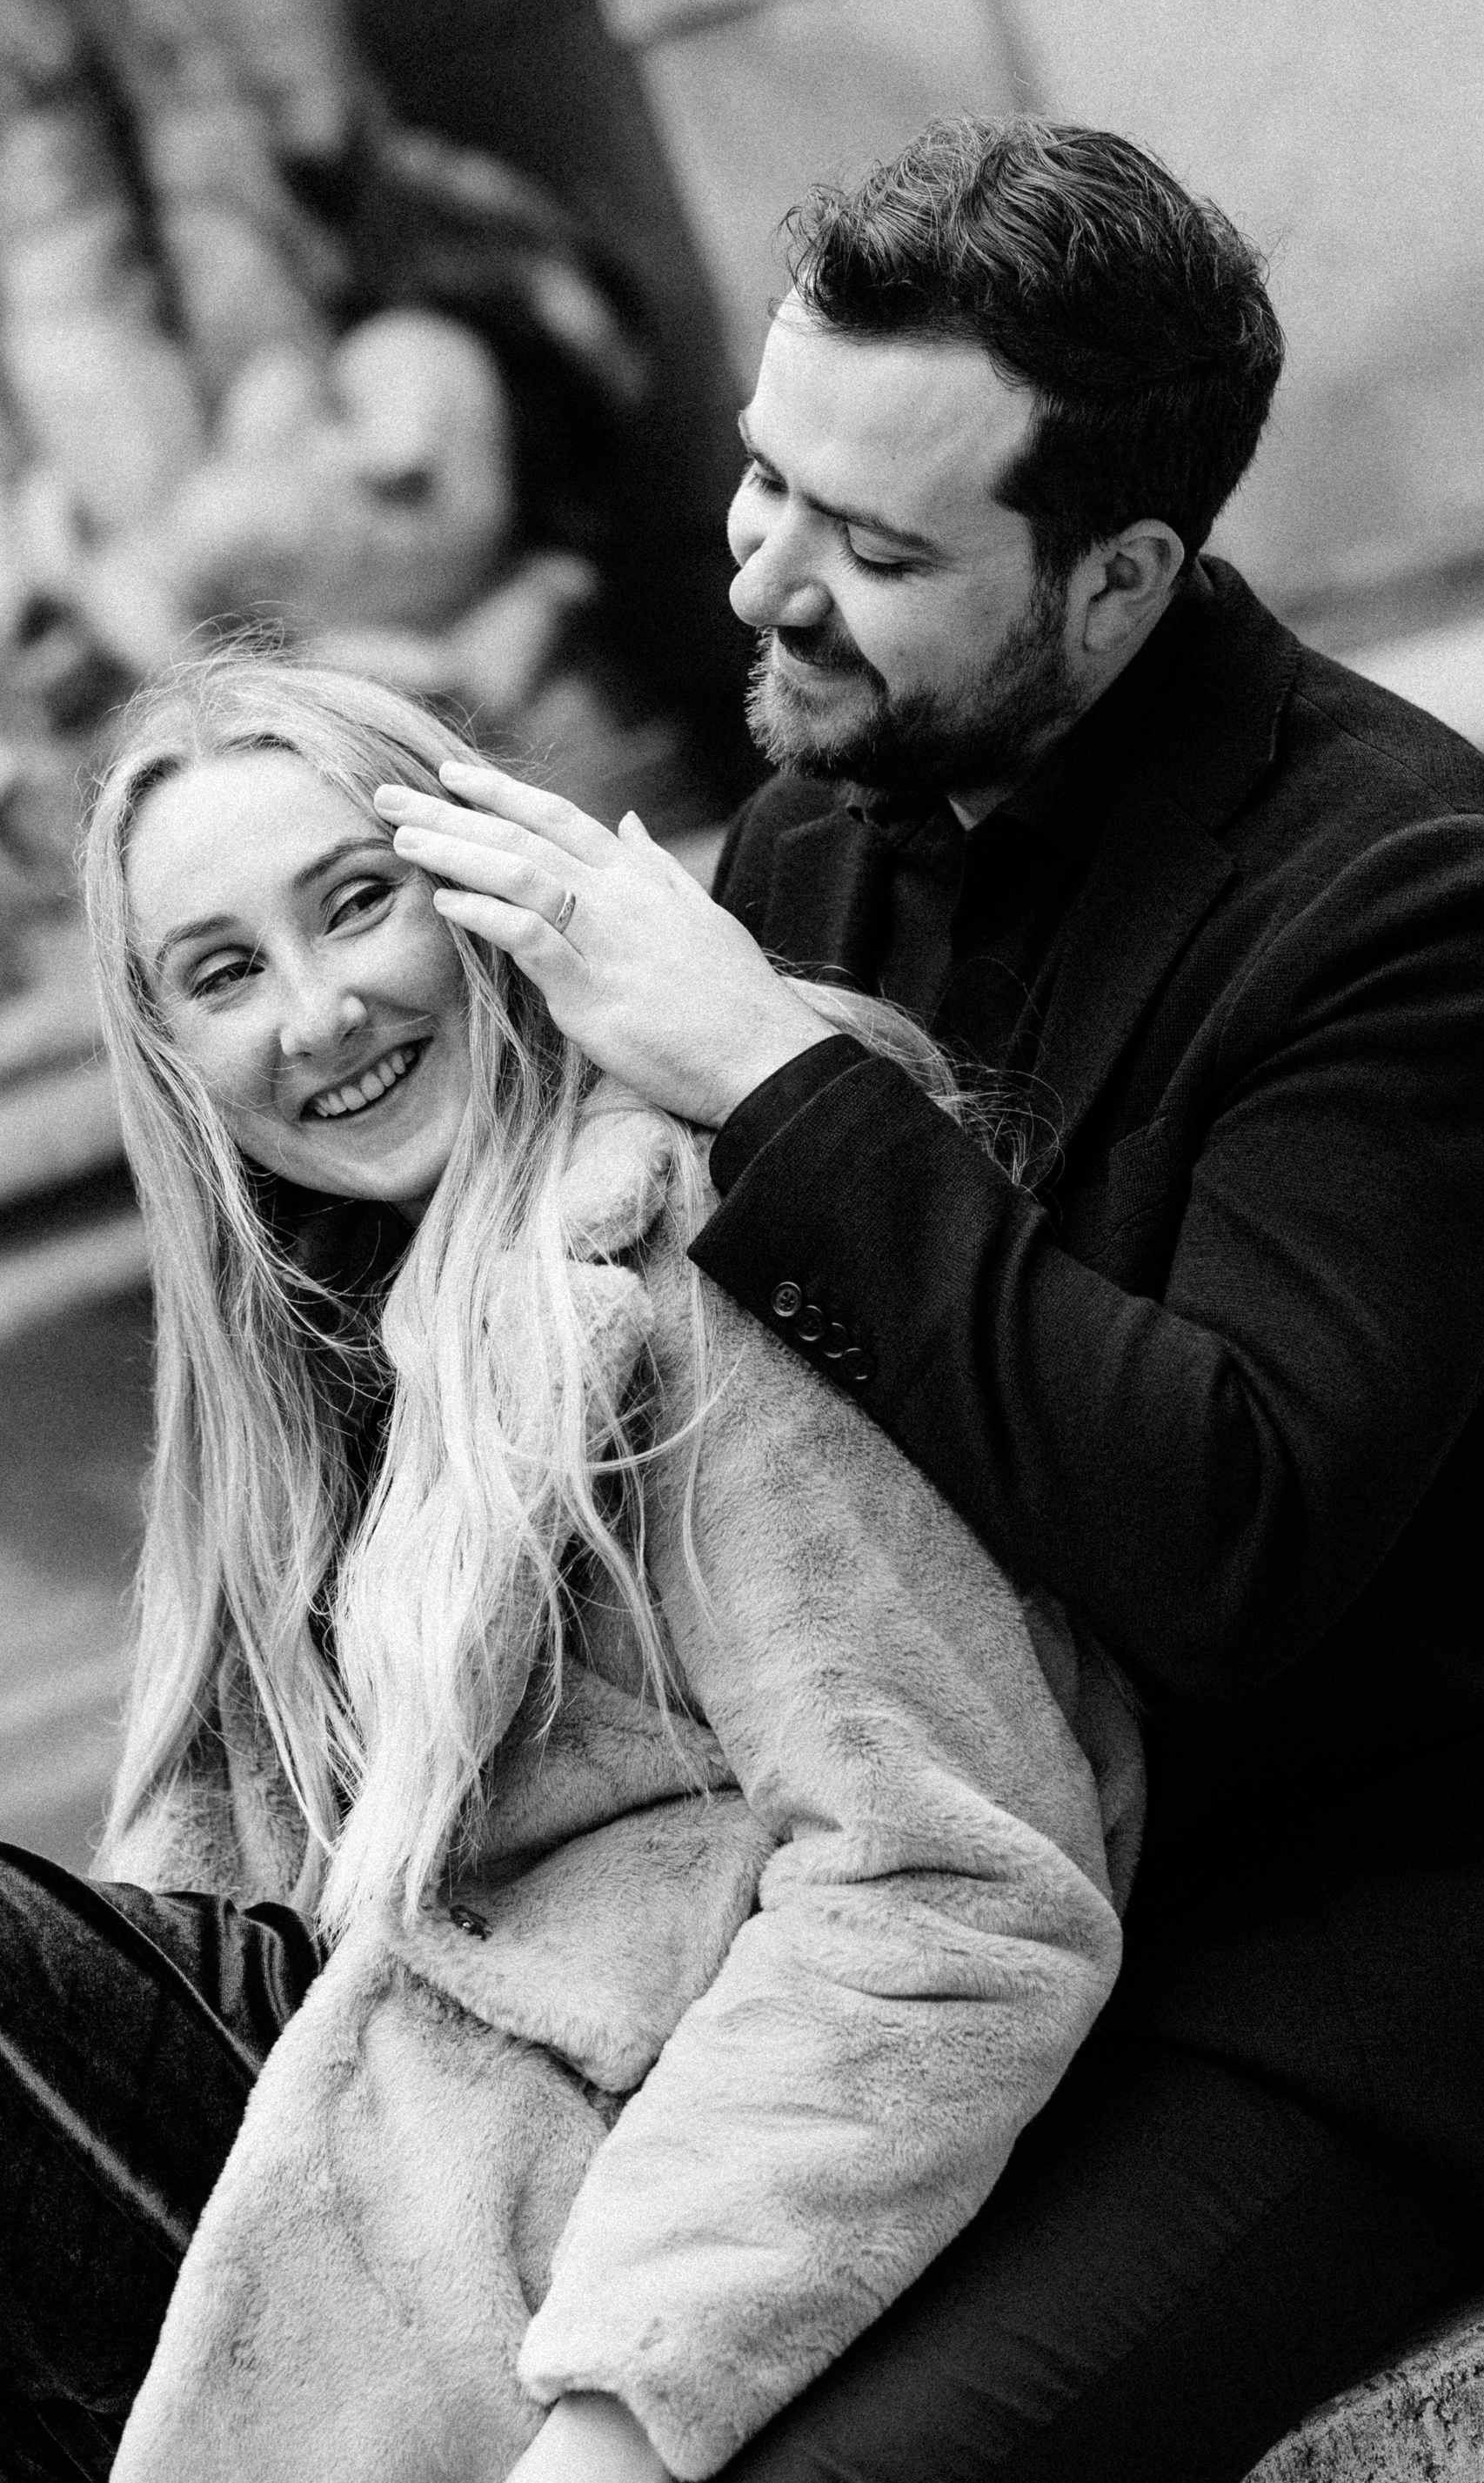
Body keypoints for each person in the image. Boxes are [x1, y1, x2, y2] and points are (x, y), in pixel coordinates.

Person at [372, 114, 1484, 2481]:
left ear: (1118, 580)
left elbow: (1225, 1537)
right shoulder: (811, 830)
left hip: (1369, 1945)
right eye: (766, 482)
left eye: (877, 550)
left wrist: (770, 1079)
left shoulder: (1402, 889)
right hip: (941, 1909)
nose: (765, 579)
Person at [0, 651, 1137, 2483]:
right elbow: (215, 1907)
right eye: (222, 972)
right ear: (170, 1054)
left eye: (356, 901)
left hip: (581, 2175)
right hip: (348, 2156)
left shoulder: (677, 1254)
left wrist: (619, 2409)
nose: (318, 1014)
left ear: (482, 880)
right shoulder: (299, 1376)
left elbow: (953, 1882)